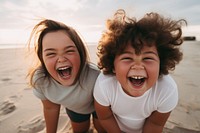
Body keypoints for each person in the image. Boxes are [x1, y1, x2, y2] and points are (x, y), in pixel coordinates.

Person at [94, 9, 187, 133]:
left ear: (162, 63)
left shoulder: (167, 90)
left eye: (148, 58)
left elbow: (155, 124)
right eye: (127, 58)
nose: (138, 66)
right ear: (113, 66)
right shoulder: (104, 84)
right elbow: (105, 117)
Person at [27, 19, 105, 133]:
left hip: (100, 107)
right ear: (41, 58)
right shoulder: (41, 81)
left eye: (69, 51)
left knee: (102, 129)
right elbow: (50, 108)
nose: (61, 59)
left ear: (80, 53)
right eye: (51, 54)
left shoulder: (95, 76)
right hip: (76, 109)